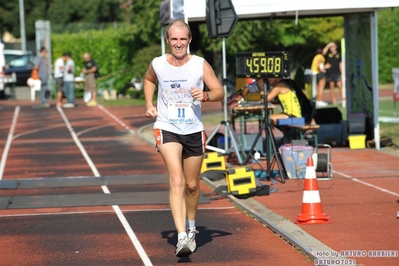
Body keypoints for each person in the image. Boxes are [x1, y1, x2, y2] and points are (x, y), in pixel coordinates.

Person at [143, 20, 224, 257]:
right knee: (176, 180)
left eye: (183, 39)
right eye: (174, 39)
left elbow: (219, 91)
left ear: (189, 40)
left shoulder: (200, 64)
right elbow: (149, 80)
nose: (178, 43)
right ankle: (181, 238)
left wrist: (206, 95)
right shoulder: (157, 63)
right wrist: (149, 103)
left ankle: (191, 227)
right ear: (168, 40)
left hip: (193, 129)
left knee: (191, 185)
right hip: (166, 126)